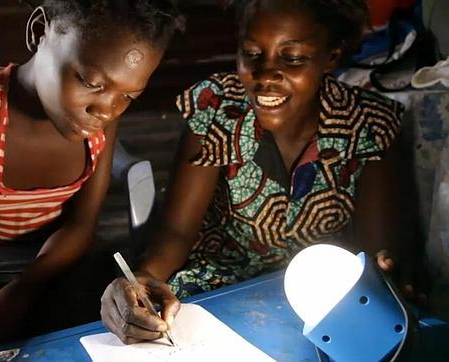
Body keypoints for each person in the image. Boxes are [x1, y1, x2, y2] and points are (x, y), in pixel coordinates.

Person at [101, 0, 418, 344]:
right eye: (252, 53)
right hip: (217, 286)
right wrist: (144, 278)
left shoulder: (369, 126)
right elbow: (178, 230)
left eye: (293, 58)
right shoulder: (218, 106)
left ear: (331, 57)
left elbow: (375, 253)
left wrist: (387, 274)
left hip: (323, 302)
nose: (265, 75)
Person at [0, 1, 182, 360]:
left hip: (63, 257)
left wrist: (24, 289)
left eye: (129, 96)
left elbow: (82, 225)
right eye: (90, 82)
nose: (106, 109)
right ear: (40, 30)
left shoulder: (102, 110)